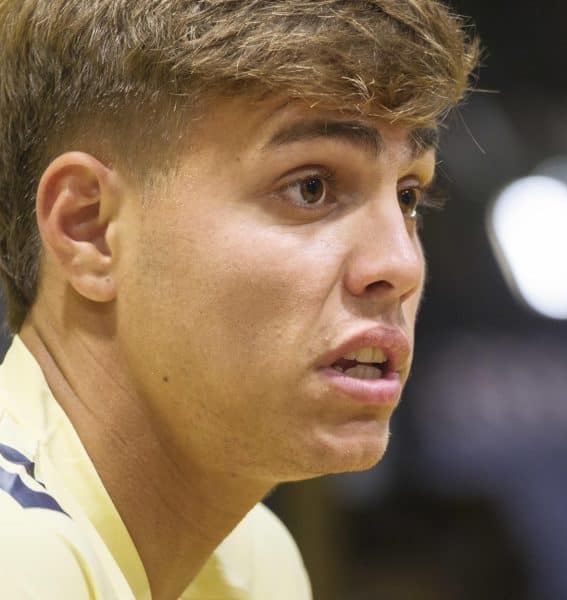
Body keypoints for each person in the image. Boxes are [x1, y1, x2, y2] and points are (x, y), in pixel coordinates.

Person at [0, 1, 479, 598]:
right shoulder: (17, 552)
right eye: (311, 187)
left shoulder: (257, 561)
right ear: (89, 229)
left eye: (409, 197)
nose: (399, 266)